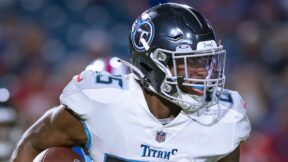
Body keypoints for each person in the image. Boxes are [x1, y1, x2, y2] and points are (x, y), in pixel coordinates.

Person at [11, 3, 251, 162]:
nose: (203, 73)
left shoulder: (223, 119)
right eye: (191, 63)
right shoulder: (102, 102)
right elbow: (33, 142)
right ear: (153, 63)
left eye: (206, 62)